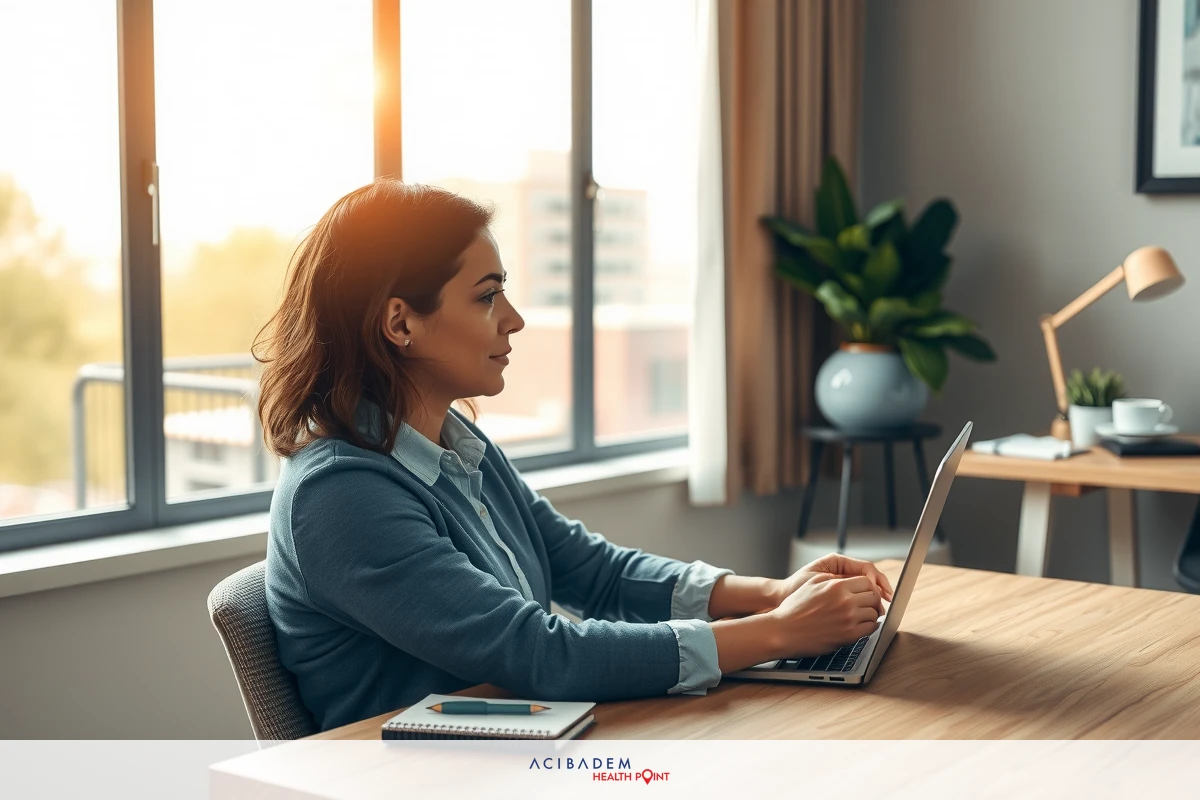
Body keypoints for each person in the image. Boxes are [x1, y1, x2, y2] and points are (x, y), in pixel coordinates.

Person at [255, 180, 895, 732]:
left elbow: (596, 575)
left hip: (516, 744)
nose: (514, 319)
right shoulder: (340, 497)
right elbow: (537, 652)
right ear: (400, 324)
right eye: (486, 296)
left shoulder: (451, 444)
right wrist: (777, 634)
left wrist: (771, 595)